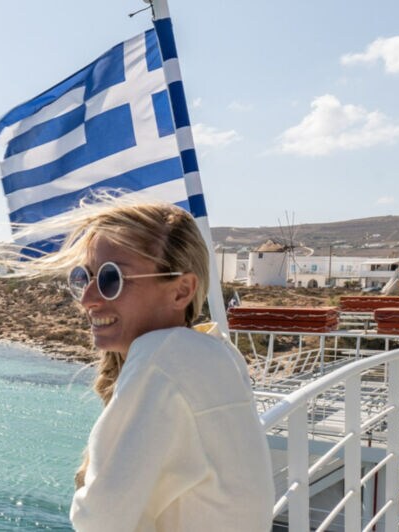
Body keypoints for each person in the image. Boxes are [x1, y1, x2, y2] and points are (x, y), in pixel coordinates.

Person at [15, 194, 274, 531]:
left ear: (181, 290)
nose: (88, 299)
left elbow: (100, 520)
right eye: (82, 278)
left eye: (110, 279)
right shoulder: (217, 352)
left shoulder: (162, 358)